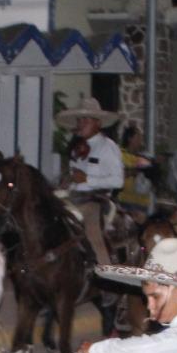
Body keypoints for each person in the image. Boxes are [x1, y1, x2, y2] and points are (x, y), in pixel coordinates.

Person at [55, 95, 124, 263]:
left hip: (95, 200)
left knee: (92, 232)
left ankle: (105, 272)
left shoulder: (108, 146)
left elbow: (118, 180)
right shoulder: (76, 149)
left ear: (98, 123)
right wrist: (67, 182)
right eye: (80, 119)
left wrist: (88, 179)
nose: (82, 123)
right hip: (74, 199)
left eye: (87, 119)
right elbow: (74, 178)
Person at [117, 124, 156, 222]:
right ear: (130, 138)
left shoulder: (143, 156)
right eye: (138, 137)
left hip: (142, 202)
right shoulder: (120, 154)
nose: (140, 140)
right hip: (126, 201)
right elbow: (119, 174)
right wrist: (137, 170)